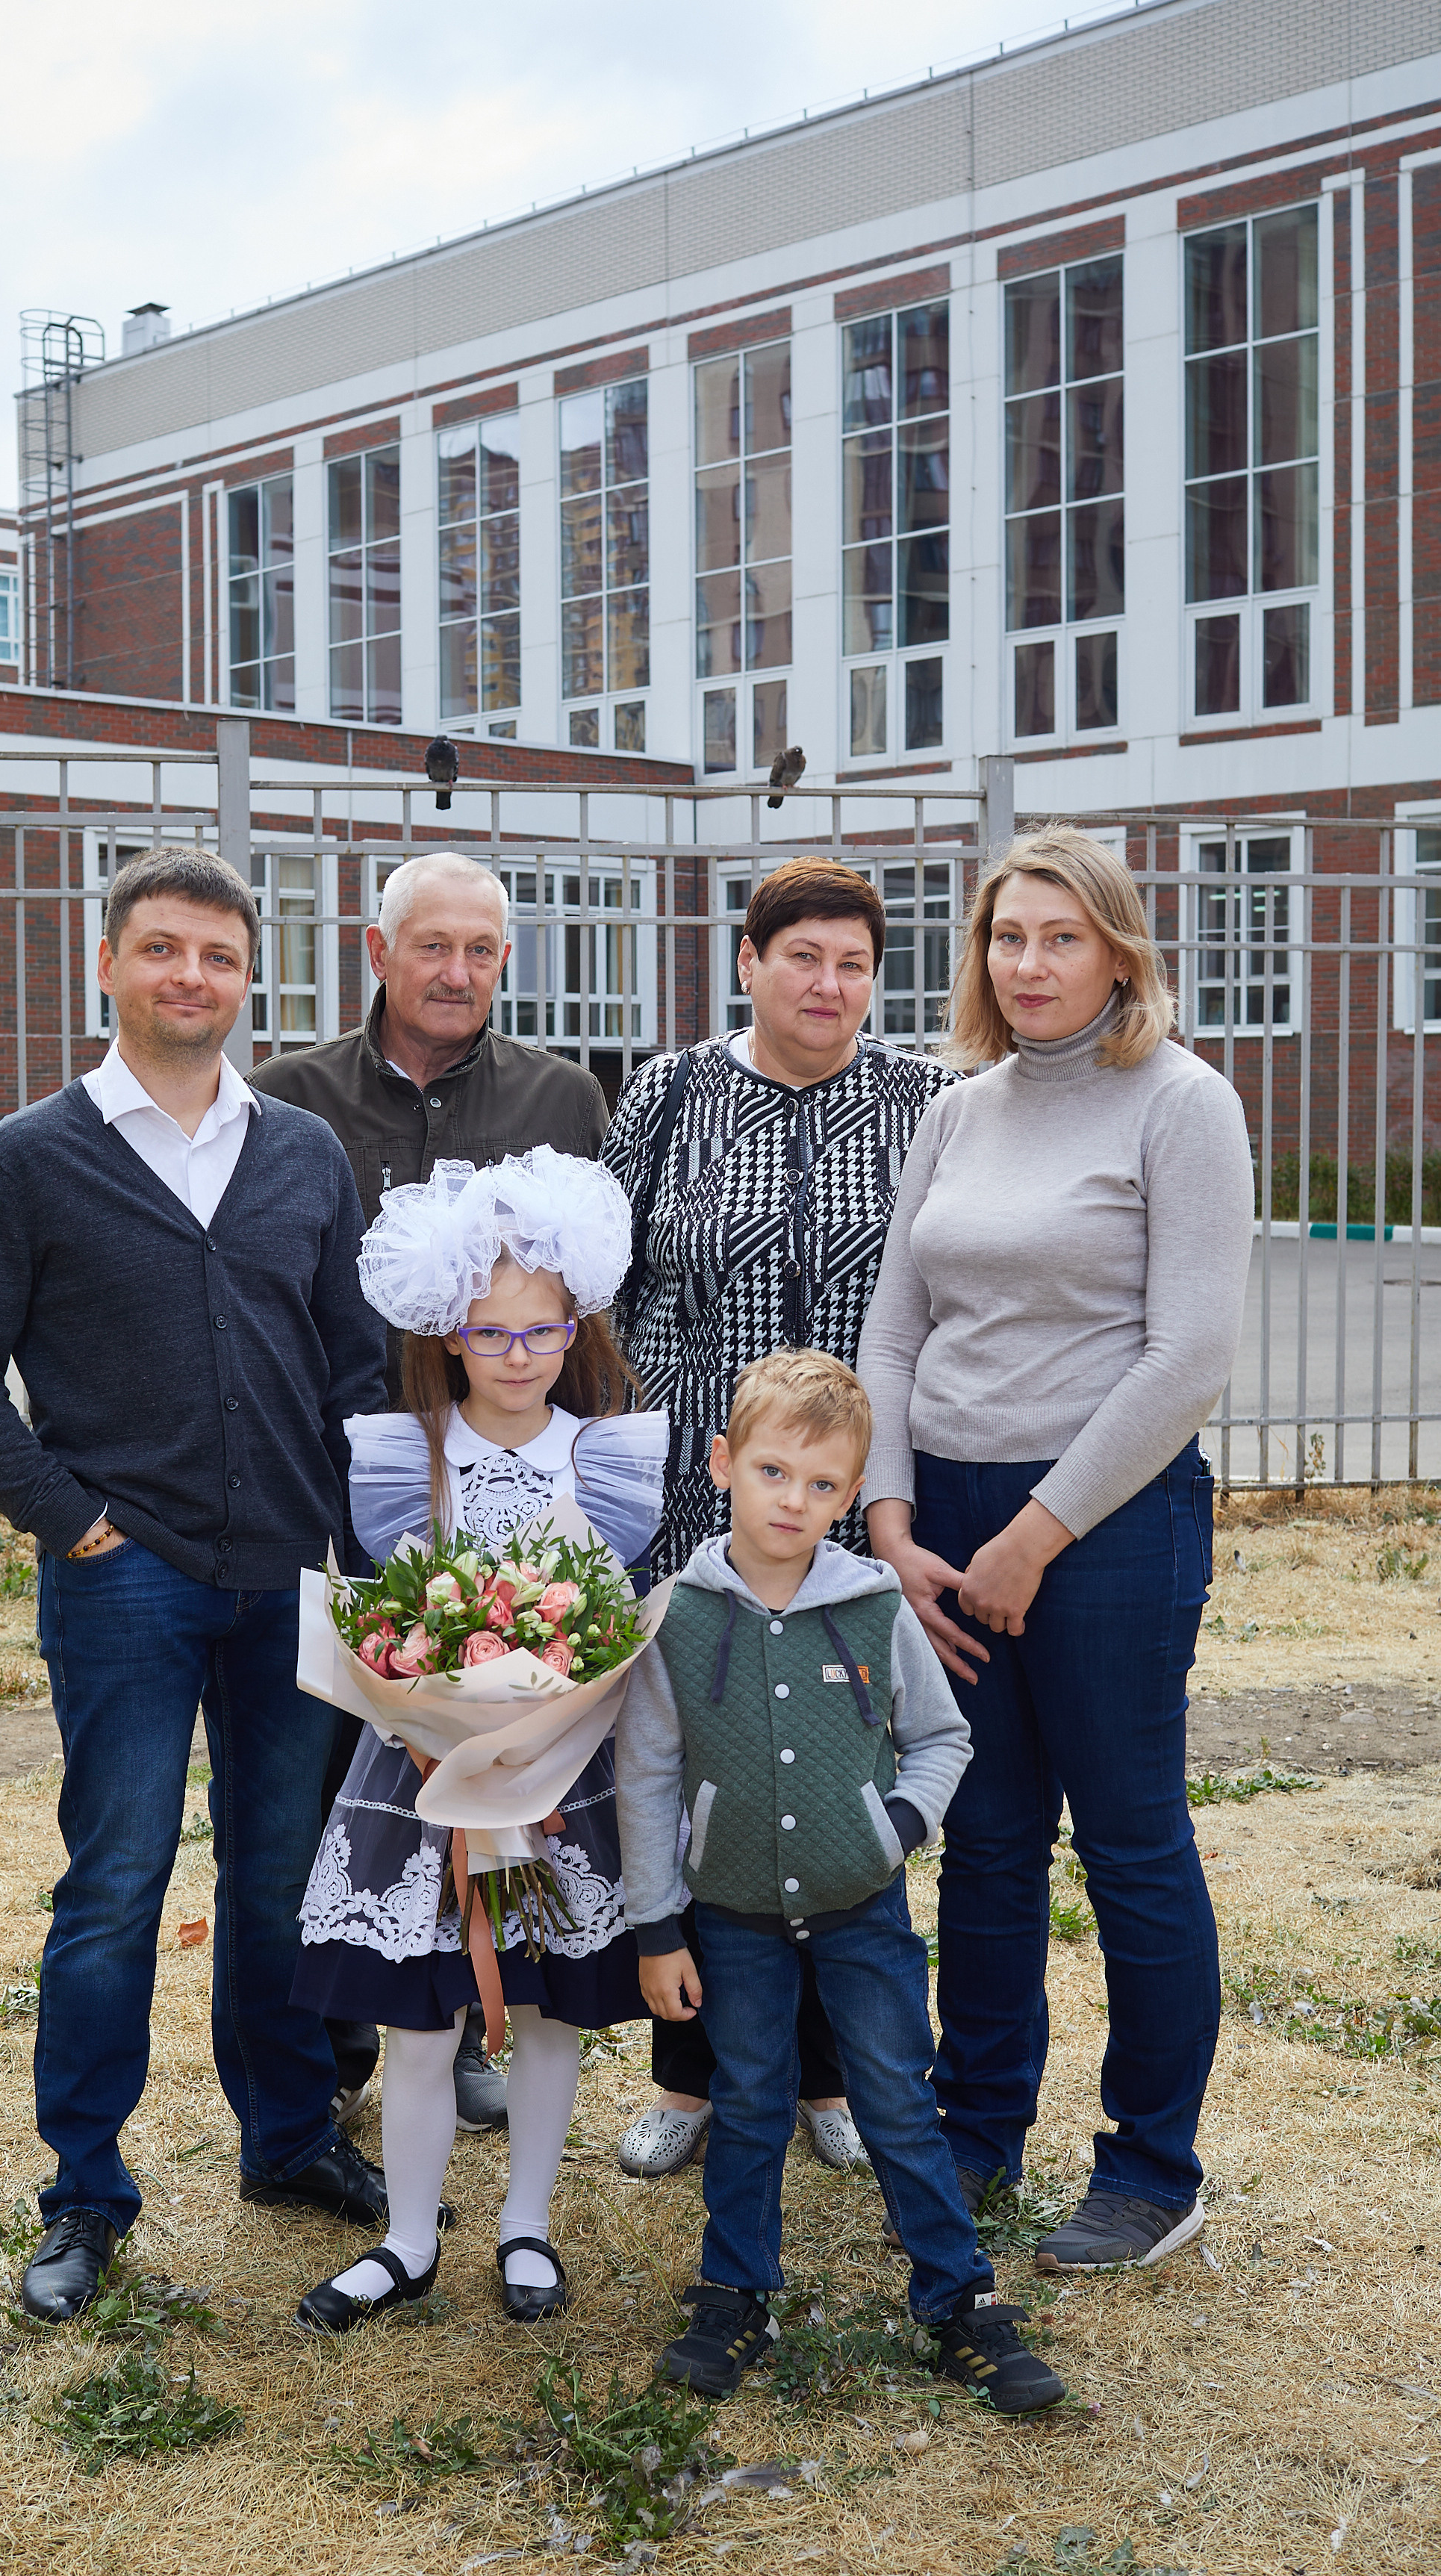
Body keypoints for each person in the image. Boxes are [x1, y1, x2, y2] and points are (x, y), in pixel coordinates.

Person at [0, 845, 390, 2324]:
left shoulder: (303, 1151)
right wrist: (73, 1520)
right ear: (108, 966)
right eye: (164, 950)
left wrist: (367, 1562)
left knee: (277, 1882)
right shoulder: (27, 1159)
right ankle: (85, 2194)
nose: (192, 977)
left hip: (283, 1581)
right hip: (128, 1585)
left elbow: (352, 1368)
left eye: (219, 958)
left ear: (251, 982)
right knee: (116, 1885)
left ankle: (289, 2137)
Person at [859, 827, 1254, 2272]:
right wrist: (894, 1522)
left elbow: (1186, 1356)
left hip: (1105, 1523)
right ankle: (973, 2130)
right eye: (1006, 937)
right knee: (990, 1833)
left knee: (1134, 1841)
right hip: (945, 1522)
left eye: (1060, 937)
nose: (1028, 964)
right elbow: (895, 1330)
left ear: (1119, 949)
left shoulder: (1181, 1104)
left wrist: (1036, 1533)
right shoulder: (959, 1112)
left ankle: (1152, 2169)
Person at [614, 1348, 1063, 2412]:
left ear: (851, 1497)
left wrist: (890, 1829)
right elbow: (646, 1773)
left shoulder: (875, 1608)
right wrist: (654, 1927)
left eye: (823, 1486)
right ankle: (735, 2292)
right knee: (752, 2098)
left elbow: (943, 1739)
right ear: (722, 1464)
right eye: (774, 1471)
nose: (795, 1500)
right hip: (729, 1917)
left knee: (902, 2103)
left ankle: (957, 2301)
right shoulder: (675, 1612)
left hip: (864, 1910)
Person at [602, 856, 954, 2177]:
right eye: (802, 956)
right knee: (711, 1769)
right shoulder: (670, 1090)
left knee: (838, 1764)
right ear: (748, 961)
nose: (829, 983)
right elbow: (604, 1283)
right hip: (706, 1494)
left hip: (853, 1500)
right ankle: (691, 2077)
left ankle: (825, 2075)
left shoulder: (928, 1098)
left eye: (854, 962)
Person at [257, 847, 609, 2135]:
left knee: (494, 1745)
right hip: (333, 1469)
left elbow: (589, 1306)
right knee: (342, 1773)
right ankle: (342, 2031)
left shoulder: (563, 1095)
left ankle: (471, 2003)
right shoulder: (289, 1100)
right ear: (377, 950)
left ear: (505, 961)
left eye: (481, 951)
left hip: (499, 1477)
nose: (456, 972)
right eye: (432, 946)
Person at [293, 1150, 664, 2333]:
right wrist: (426, 1711)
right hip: (423, 1770)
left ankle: (527, 2219)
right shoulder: (409, 1450)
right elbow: (397, 1608)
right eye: (491, 1332)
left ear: (574, 1328)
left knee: (548, 2005)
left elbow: (607, 1615)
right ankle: (407, 2238)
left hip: (561, 1770)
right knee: (417, 2012)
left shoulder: (603, 1456)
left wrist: (545, 1723)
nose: (518, 1354)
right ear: (448, 1332)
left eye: (541, 1330)